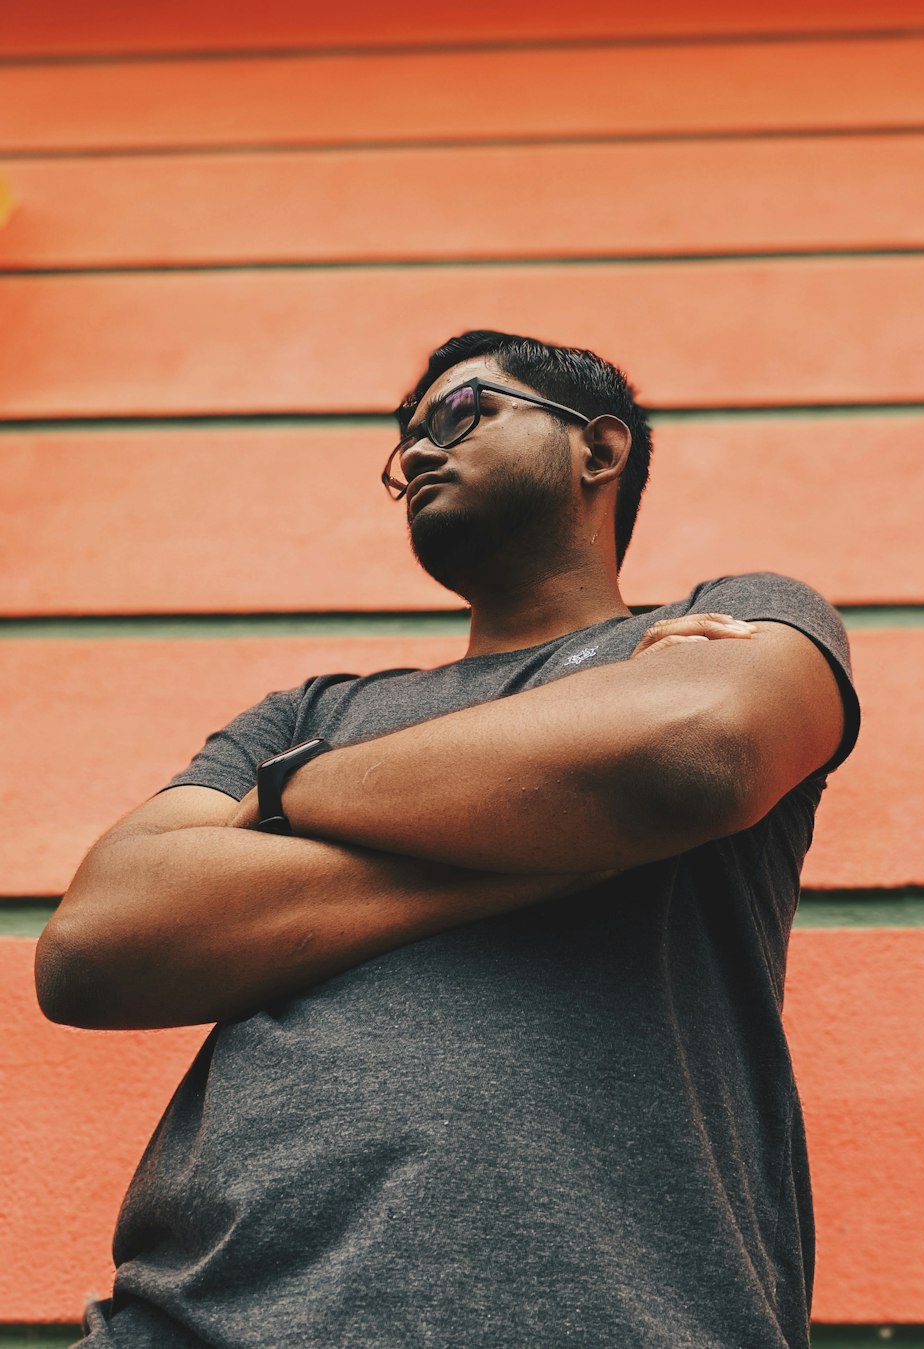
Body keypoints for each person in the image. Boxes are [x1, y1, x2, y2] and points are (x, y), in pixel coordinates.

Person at [37, 330, 860, 1349]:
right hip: (194, 1319)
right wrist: (563, 843)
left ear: (596, 450)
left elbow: (696, 750)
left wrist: (286, 798)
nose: (417, 452)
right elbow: (94, 948)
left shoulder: (733, 618)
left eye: (460, 414)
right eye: (403, 446)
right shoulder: (304, 709)